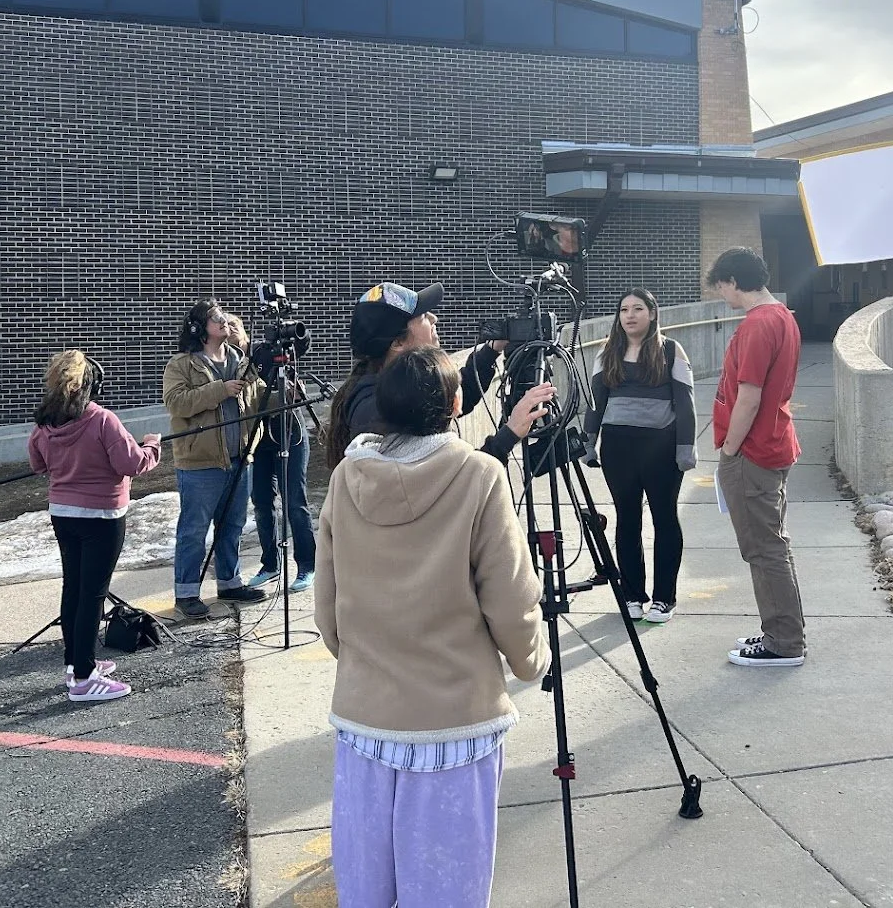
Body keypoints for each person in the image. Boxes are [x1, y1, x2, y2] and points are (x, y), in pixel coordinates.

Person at [314, 347, 547, 907]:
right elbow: (510, 598)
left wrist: (360, 660)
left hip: (365, 720)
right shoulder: (479, 475)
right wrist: (531, 660)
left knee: (365, 889)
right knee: (447, 890)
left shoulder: (347, 476)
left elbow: (327, 601)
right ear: (455, 403)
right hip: (457, 722)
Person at [28, 349, 161, 703]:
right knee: (92, 595)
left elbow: (37, 464)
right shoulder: (102, 420)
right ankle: (84, 679)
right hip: (102, 517)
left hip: (62, 514)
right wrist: (152, 446)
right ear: (92, 384)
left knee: (73, 588)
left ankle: (76, 662)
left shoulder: (45, 424)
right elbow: (132, 463)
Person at [324, 280, 554, 468]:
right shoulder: (377, 412)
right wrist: (509, 435)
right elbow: (446, 486)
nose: (434, 318)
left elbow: (452, 398)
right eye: (423, 316)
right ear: (397, 343)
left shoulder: (398, 389)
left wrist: (491, 350)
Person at [707, 248, 807, 668]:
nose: (721, 294)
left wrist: (730, 449)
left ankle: (783, 642)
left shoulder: (758, 324)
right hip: (774, 442)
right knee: (773, 546)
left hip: (753, 451)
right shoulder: (781, 316)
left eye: (721, 286)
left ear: (733, 281)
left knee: (764, 550)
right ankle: (781, 631)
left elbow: (749, 397)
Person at [582, 288, 696, 624]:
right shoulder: (607, 352)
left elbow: (685, 402)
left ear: (652, 313)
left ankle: (664, 599)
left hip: (661, 447)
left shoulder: (671, 350)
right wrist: (589, 442)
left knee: (665, 518)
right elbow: (596, 402)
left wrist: (686, 448)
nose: (630, 315)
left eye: (637, 309)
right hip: (618, 448)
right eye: (624, 310)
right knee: (627, 520)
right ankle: (632, 596)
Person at [164, 299, 268, 618]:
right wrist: (219, 390)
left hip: (239, 459)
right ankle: (186, 593)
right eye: (215, 317)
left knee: (232, 525)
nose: (223, 321)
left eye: (223, 315)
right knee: (194, 530)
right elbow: (176, 403)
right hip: (200, 465)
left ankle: (230, 583)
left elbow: (259, 397)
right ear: (198, 328)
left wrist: (284, 393)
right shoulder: (182, 364)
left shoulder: (240, 360)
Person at [244, 333, 317, 594]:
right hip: (259, 437)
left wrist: (296, 334)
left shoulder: (268, 351)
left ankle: (307, 565)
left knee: (294, 502)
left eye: (233, 326)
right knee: (262, 502)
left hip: (290, 433)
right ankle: (270, 564)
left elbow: (302, 344)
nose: (229, 332)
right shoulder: (237, 362)